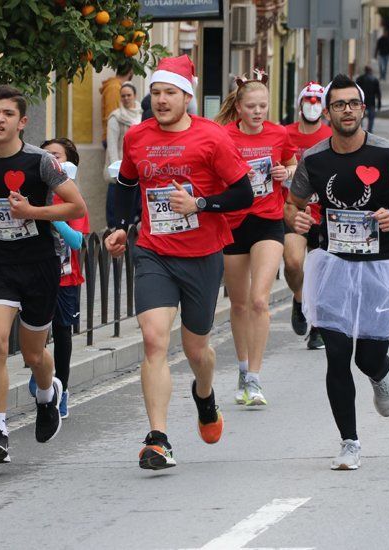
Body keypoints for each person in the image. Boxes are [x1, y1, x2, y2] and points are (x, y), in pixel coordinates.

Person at [105, 55, 253, 470]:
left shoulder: (212, 138)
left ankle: (204, 396)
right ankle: (158, 439)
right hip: (154, 251)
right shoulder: (137, 137)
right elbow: (127, 185)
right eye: (156, 93)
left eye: (170, 92)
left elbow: (243, 194)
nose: (162, 100)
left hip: (203, 254)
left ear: (187, 96)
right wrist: (118, 226)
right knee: (153, 340)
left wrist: (200, 203)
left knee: (196, 348)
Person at [285, 74, 389, 470]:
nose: (347, 110)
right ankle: (349, 442)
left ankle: (380, 374)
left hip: (381, 267)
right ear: (328, 111)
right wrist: (298, 221)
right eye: (339, 104)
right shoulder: (314, 159)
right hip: (333, 265)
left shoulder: (388, 154)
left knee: (367, 357)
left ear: (363, 109)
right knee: (337, 355)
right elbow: (292, 204)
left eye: (353, 103)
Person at [0, 85, 88, 464]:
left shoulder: (41, 163)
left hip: (40, 265)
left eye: (7, 114)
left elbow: (75, 206)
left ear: (22, 122)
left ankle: (48, 395)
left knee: (34, 354)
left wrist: (32, 212)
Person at [214, 72, 298, 407]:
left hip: (268, 221)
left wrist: (285, 173)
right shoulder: (223, 135)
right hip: (233, 223)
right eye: (252, 106)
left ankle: (255, 379)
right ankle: (242, 366)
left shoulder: (279, 133)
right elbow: (212, 172)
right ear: (239, 106)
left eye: (263, 105)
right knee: (239, 304)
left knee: (260, 300)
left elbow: (292, 162)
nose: (258, 111)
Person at [24, 138, 90, 421]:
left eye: (56, 155)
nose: (51, 158)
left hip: (65, 278)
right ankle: (40, 372)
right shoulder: (34, 192)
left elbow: (76, 241)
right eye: (46, 154)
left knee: (63, 333)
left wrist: (51, 215)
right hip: (36, 274)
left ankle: (60, 390)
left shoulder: (71, 197)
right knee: (33, 333)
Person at [284, 82, 333, 350]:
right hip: (295, 209)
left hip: (324, 213)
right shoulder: (285, 134)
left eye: (317, 101)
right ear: (300, 103)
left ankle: (318, 327)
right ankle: (300, 298)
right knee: (292, 262)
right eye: (308, 100)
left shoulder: (330, 135)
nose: (312, 105)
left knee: (322, 271)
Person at [105, 82, 143, 228]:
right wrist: (116, 169)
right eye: (123, 96)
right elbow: (112, 145)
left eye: (129, 95)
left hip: (139, 166)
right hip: (120, 167)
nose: (126, 98)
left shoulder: (142, 114)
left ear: (135, 96)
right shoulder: (116, 117)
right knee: (117, 203)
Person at [100, 64, 134, 147]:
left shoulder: (117, 86)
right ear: (130, 72)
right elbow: (112, 114)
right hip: (114, 136)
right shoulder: (114, 88)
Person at [355, 66, 382, 133]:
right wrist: (379, 103)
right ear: (371, 71)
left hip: (362, 101)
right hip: (371, 102)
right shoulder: (375, 80)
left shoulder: (359, 79)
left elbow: (356, 91)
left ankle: (359, 130)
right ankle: (370, 132)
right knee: (371, 118)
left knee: (360, 117)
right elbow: (378, 93)